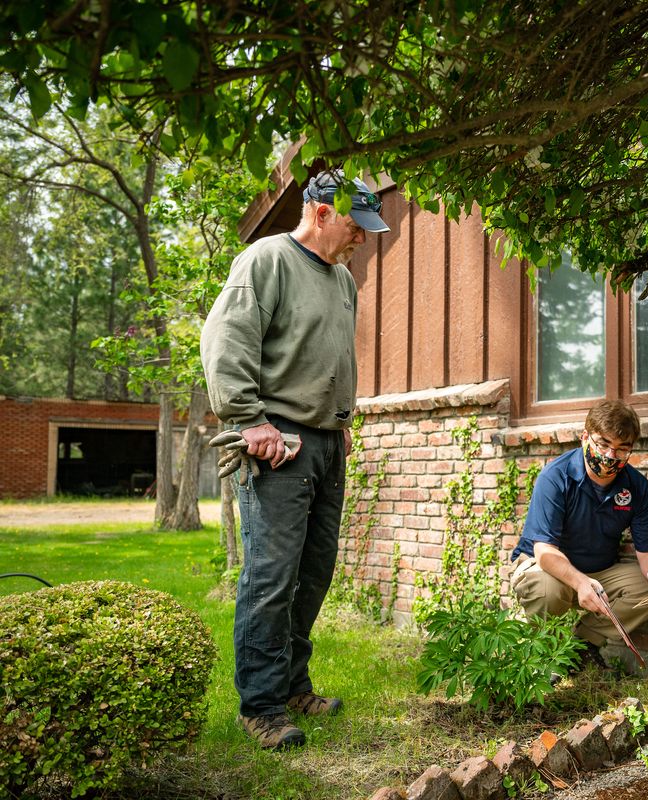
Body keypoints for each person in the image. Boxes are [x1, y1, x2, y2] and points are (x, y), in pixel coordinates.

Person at [200, 170, 388, 750]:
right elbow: (226, 341)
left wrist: (342, 422)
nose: (364, 239)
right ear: (324, 213)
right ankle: (259, 705)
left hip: (327, 445)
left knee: (313, 574)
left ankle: (292, 684)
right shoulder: (266, 260)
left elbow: (331, 357)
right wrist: (248, 419)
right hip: (277, 443)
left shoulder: (342, 280)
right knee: (271, 577)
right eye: (357, 226)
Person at [510, 399, 648, 670]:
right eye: (603, 444)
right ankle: (541, 655)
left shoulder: (636, 486)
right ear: (585, 437)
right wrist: (580, 583)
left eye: (622, 448)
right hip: (544, 568)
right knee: (547, 590)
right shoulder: (556, 476)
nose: (611, 455)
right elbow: (545, 551)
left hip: (598, 573)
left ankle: (582, 646)